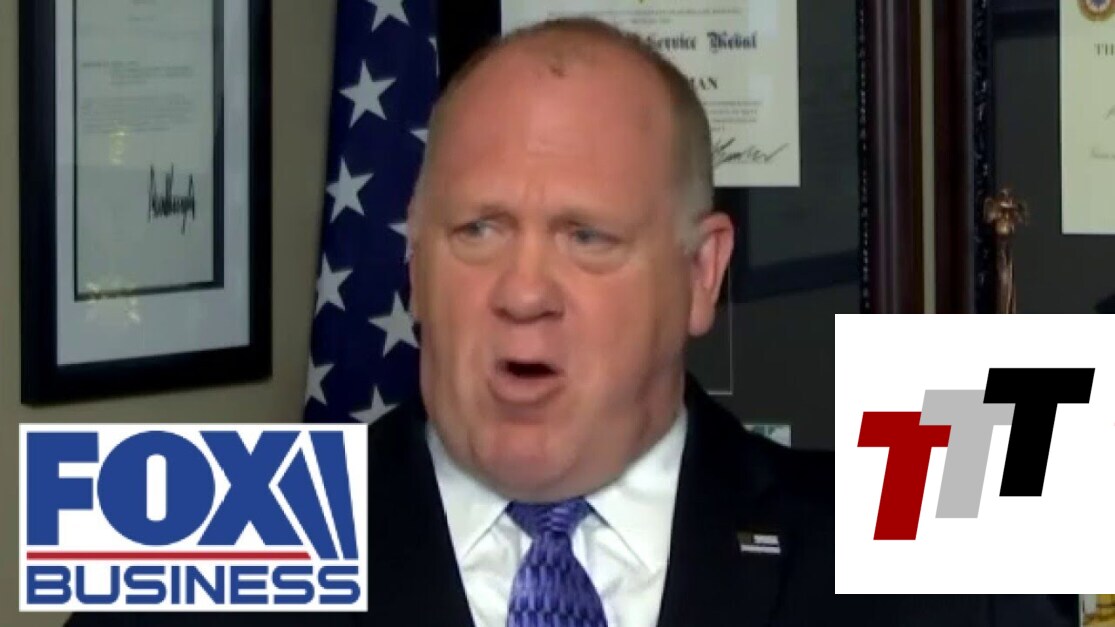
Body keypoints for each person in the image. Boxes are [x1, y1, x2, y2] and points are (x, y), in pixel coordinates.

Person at [66, 16, 1072, 627]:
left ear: (700, 273)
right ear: (412, 259)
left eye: (587, 237)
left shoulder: (944, 547)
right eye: (477, 229)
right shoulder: (200, 548)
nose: (523, 291)